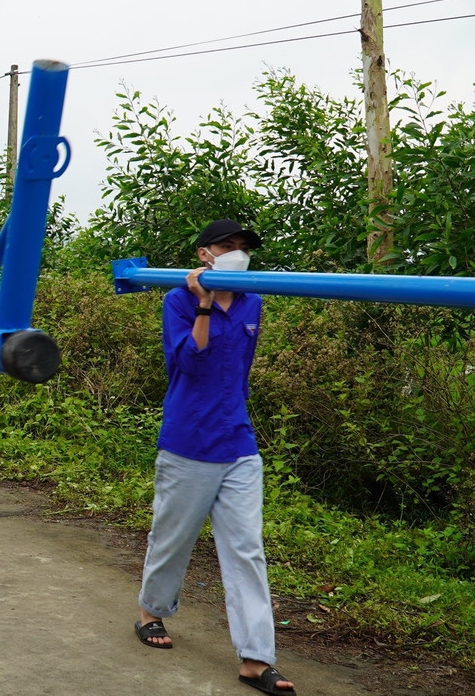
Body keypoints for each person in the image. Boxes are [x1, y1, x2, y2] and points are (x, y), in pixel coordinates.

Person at [133, 219, 294, 696]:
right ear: (205, 254)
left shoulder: (253, 302)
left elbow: (240, 371)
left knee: (247, 550)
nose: (237, 253)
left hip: (238, 442)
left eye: (243, 247)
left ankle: (255, 657)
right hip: (188, 441)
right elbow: (189, 361)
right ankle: (151, 611)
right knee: (173, 536)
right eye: (228, 246)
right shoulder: (178, 300)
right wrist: (205, 302)